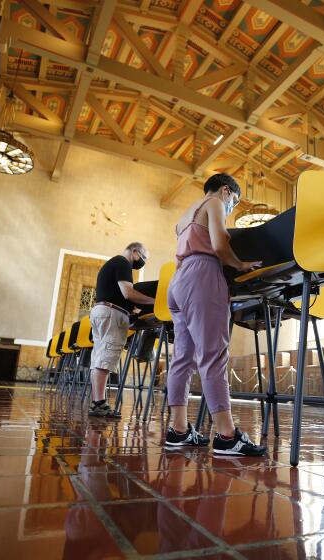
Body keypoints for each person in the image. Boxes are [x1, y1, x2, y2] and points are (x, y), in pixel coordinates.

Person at [164, 173, 266, 456]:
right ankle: (226, 435)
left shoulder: (186, 215)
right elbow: (220, 245)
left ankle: (179, 431)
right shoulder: (214, 203)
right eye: (234, 201)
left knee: (182, 359)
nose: (231, 207)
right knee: (213, 355)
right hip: (202, 275)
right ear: (226, 190)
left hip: (179, 282)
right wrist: (241, 264)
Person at [88, 242, 155, 417]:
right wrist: (155, 301)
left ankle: (97, 402)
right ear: (134, 252)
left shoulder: (114, 263)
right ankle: (99, 403)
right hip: (111, 314)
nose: (143, 262)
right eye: (143, 258)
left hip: (101, 311)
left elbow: (120, 295)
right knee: (106, 357)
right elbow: (128, 293)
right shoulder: (123, 263)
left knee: (99, 358)